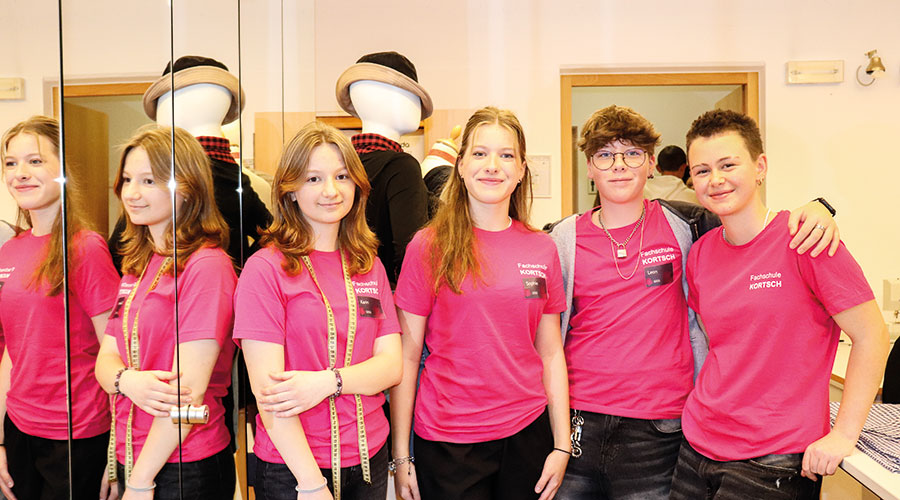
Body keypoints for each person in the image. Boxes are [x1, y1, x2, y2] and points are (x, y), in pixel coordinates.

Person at [548, 105, 841, 500]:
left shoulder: (689, 225)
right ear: (588, 167)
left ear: (651, 163)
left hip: (662, 426)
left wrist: (819, 208)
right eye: (604, 155)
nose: (618, 165)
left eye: (632, 153)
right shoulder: (562, 239)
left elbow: (750, 221)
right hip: (579, 420)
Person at [669, 109, 889, 499]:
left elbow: (872, 336)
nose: (715, 179)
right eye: (702, 170)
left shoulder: (805, 239)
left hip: (774, 457)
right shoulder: (700, 254)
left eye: (728, 165)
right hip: (698, 446)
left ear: (760, 167)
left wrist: (843, 434)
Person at [390, 106, 570, 500]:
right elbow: (407, 354)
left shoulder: (542, 248)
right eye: (479, 153)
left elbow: (551, 351)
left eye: (506, 155)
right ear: (460, 165)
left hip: (528, 434)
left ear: (522, 169)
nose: (492, 166)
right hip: (449, 441)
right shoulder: (429, 246)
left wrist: (561, 444)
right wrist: (401, 455)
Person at [233, 121, 401, 500]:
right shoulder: (265, 269)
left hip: (369, 457)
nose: (331, 191)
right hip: (293, 468)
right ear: (290, 190)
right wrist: (311, 483)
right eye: (313, 179)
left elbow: (391, 367)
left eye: (342, 176)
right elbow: (271, 396)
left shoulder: (368, 264)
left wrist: (326, 382)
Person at [95, 126, 236, 499]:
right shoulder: (139, 263)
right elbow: (105, 360)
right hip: (135, 453)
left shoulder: (207, 266)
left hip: (185, 465)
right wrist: (129, 382)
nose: (132, 193)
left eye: (149, 181)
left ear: (187, 187)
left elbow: (185, 395)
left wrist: (140, 481)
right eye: (127, 180)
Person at [0, 116, 120, 500]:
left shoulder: (85, 247)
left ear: (62, 170)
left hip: (76, 435)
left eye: (35, 161)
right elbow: (11, 351)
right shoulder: (9, 250)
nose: (20, 173)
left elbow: (115, 350)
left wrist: (118, 453)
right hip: (19, 427)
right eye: (11, 163)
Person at [335, 51, 431, 285]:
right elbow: (412, 254)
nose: (417, 107)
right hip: (383, 295)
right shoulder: (401, 167)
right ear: (382, 98)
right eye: (411, 95)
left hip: (337, 290)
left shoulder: (339, 165)